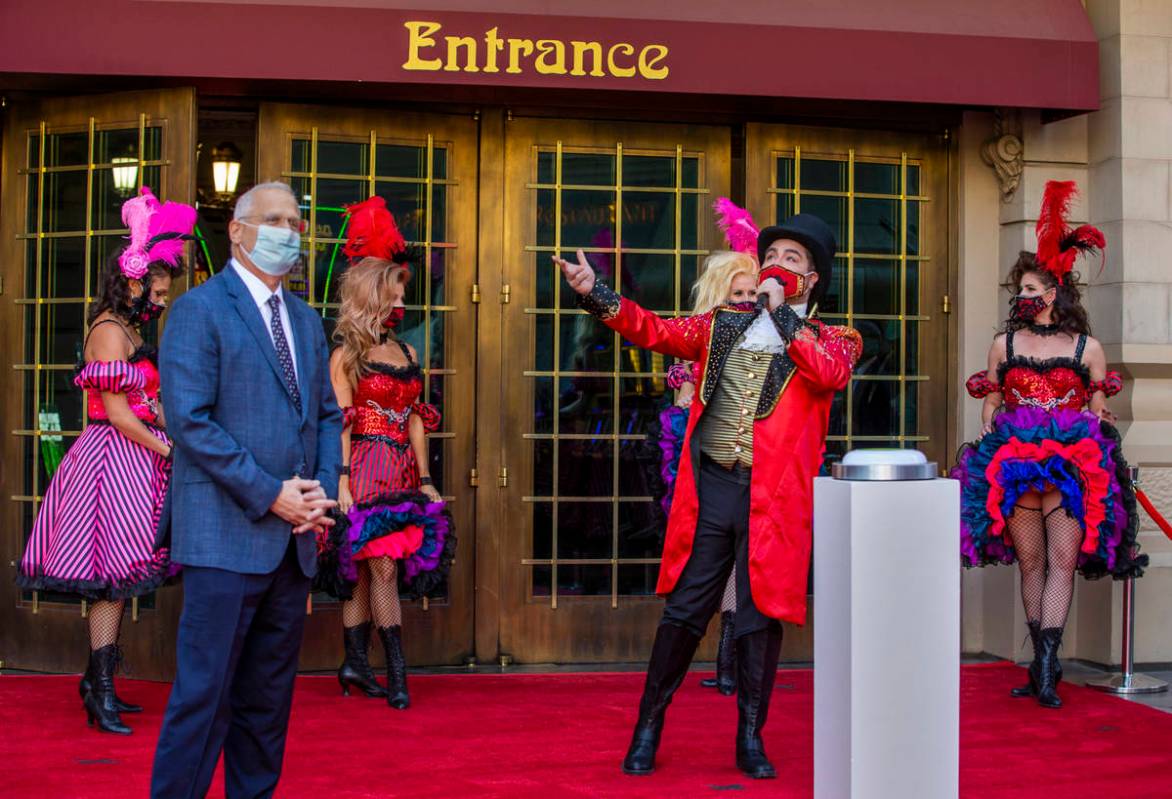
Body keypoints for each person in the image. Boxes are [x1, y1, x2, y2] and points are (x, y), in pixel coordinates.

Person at [557, 212, 860, 779]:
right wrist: (595, 293)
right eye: (774, 257)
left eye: (793, 260)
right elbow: (655, 330)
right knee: (687, 607)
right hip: (715, 484)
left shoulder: (834, 338)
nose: (779, 266)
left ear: (813, 279)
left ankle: (750, 736)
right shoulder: (723, 323)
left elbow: (829, 376)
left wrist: (783, 318)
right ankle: (648, 724)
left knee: (759, 615)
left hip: (774, 499)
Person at [150, 182, 342, 798]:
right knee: (203, 700)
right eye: (276, 219)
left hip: (293, 546)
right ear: (237, 231)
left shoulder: (308, 321)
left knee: (266, 708)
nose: (290, 230)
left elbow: (326, 416)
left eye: (296, 221)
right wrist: (270, 493)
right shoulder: (199, 310)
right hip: (225, 540)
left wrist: (319, 493)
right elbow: (189, 420)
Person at [952, 180, 1145, 709]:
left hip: (1070, 462)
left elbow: (1097, 408)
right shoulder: (1004, 343)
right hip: (1013, 461)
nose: (1023, 297)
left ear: (1053, 293)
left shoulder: (1088, 348)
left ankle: (1047, 668)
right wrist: (989, 417)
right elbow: (991, 399)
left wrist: (1099, 415)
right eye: (1021, 290)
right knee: (1030, 561)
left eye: (1032, 288)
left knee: (1062, 558)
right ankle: (1040, 657)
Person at [16, 188, 194, 735]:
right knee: (109, 579)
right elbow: (117, 414)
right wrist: (169, 450)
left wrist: (173, 426)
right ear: (134, 279)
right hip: (112, 463)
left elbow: (143, 404)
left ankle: (99, 683)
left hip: (134, 459)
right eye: (158, 291)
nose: (162, 301)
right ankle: (100, 689)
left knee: (117, 580)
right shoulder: (111, 332)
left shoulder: (131, 331)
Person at [313, 196, 453, 710]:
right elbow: (341, 423)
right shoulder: (345, 353)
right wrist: (344, 480)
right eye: (397, 283)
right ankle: (396, 672)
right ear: (376, 285)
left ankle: (354, 661)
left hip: (398, 469)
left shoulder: (410, 352)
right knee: (379, 568)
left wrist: (425, 477)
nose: (403, 293)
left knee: (371, 570)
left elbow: (417, 417)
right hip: (363, 469)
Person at [659, 199, 761, 697]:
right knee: (714, 562)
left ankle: (730, 655)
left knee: (745, 563)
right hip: (706, 471)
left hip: (756, 470)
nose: (743, 300)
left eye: (750, 292)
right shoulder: (699, 344)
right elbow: (682, 415)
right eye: (735, 292)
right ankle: (721, 654)